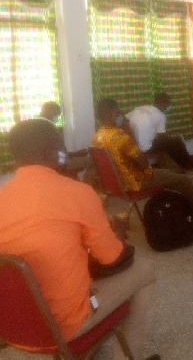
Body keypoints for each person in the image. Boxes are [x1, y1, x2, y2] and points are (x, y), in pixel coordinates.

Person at [0, 119, 157, 359]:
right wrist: (113, 234)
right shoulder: (78, 192)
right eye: (62, 147)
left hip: (10, 326)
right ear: (52, 153)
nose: (66, 154)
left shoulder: (3, 195)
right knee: (144, 269)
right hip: (62, 327)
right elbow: (112, 259)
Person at [93, 98, 193, 216]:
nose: (120, 115)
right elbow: (143, 162)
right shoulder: (120, 136)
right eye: (117, 112)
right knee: (181, 179)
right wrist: (153, 172)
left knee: (169, 174)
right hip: (135, 181)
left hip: (118, 183)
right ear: (111, 114)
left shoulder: (97, 136)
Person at [126, 93, 193, 172]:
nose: (169, 106)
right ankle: (184, 165)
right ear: (163, 103)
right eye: (169, 103)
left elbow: (124, 119)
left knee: (173, 142)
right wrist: (173, 138)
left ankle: (186, 162)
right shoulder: (160, 115)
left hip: (133, 143)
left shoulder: (140, 108)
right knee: (177, 142)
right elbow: (162, 138)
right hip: (145, 147)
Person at [39, 101, 95, 184]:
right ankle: (86, 188)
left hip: (46, 163)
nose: (57, 118)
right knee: (93, 161)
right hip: (57, 164)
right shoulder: (49, 127)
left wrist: (76, 154)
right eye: (57, 115)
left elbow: (56, 152)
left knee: (74, 170)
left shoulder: (38, 125)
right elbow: (61, 156)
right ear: (52, 112)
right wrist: (77, 154)